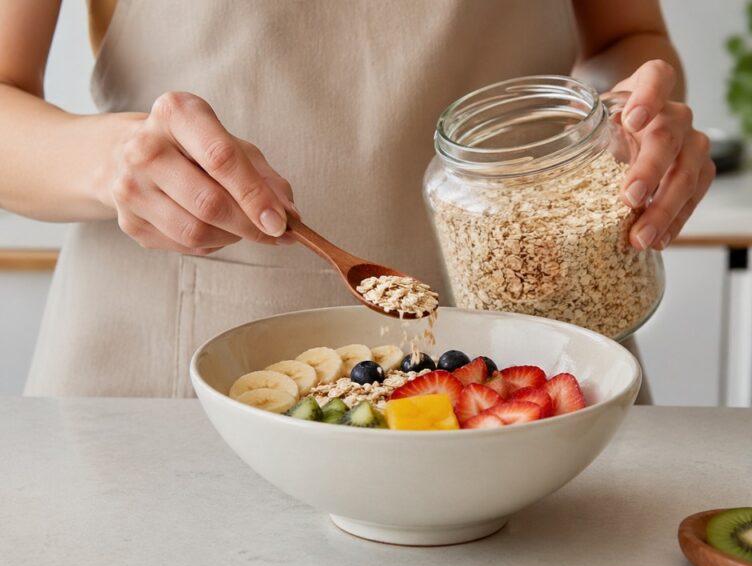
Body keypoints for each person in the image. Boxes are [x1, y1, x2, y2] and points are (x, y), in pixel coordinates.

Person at [0, 0, 714, 397]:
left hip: (534, 369)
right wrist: (110, 161)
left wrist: (628, 123)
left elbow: (629, 36)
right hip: (171, 387)